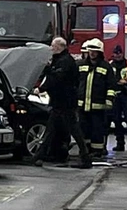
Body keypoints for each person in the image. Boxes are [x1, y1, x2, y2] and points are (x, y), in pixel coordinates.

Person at [34, 37, 92, 168]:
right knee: (52, 130)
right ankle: (39, 156)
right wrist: (41, 87)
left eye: (53, 47)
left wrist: (46, 77)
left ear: (59, 47)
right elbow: (51, 79)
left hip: (65, 102)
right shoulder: (60, 60)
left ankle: (85, 158)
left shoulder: (65, 61)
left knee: (72, 130)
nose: (51, 49)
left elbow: (57, 79)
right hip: (60, 101)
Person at [75, 38, 115, 162]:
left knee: (97, 130)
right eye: (90, 51)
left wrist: (109, 100)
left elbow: (111, 86)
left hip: (98, 106)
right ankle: (85, 150)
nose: (92, 53)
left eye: (95, 51)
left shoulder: (106, 67)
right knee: (83, 129)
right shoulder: (80, 65)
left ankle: (97, 151)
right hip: (82, 105)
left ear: (100, 53)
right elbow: (75, 83)